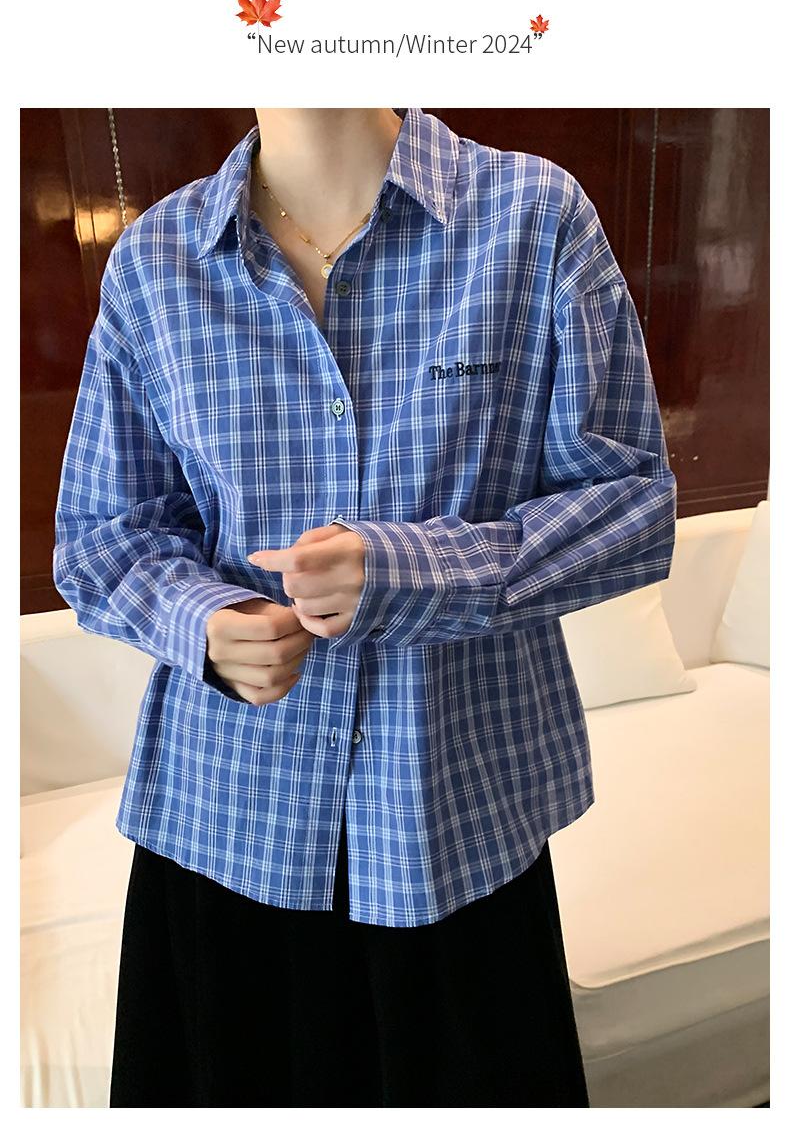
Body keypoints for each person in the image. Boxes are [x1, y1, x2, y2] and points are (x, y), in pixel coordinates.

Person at [52, 106, 677, 1108]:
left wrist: (412, 569)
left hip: (455, 825)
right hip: (225, 825)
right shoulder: (157, 261)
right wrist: (200, 622)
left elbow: (631, 507)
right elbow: (102, 534)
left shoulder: (531, 217)